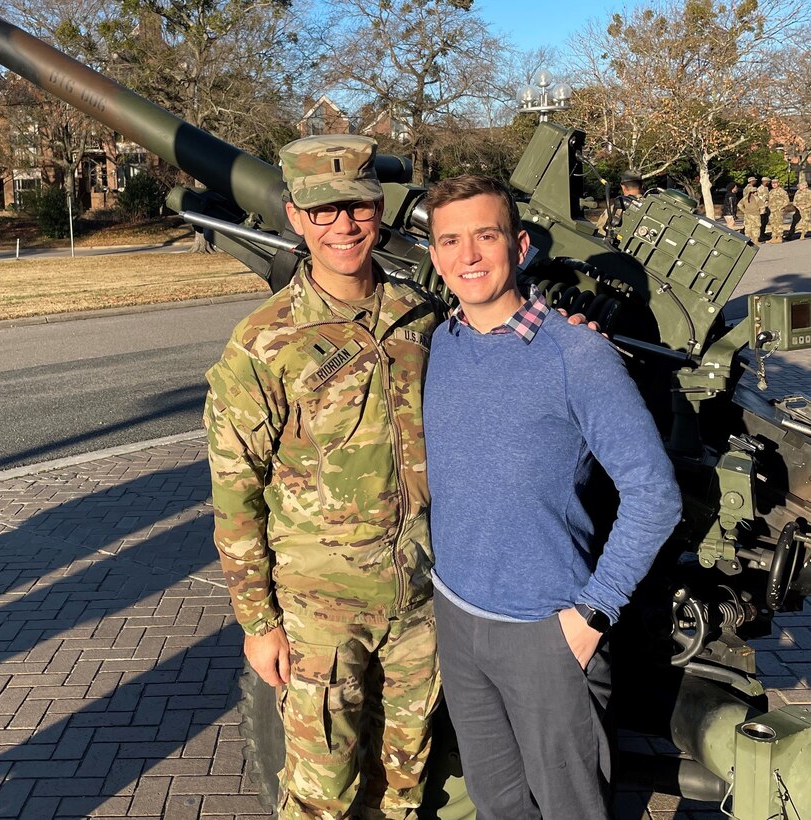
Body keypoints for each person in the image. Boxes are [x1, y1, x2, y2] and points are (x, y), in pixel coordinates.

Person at [421, 175, 682, 820]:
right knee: (497, 804)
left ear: (521, 243)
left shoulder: (578, 353)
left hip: (548, 632)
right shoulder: (440, 347)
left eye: (486, 235)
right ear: (433, 254)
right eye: (450, 240)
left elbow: (655, 493)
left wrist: (592, 615)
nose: (469, 256)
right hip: (458, 617)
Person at [203, 134, 442, 819]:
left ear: (379, 208)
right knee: (320, 800)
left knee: (404, 791)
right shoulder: (263, 341)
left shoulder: (418, 316)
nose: (344, 225)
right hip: (319, 613)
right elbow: (235, 492)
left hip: (418, 600)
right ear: (296, 217)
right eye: (324, 209)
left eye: (359, 207)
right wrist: (258, 621)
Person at [595, 169, 643, 234]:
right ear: (642, 186)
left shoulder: (614, 209)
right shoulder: (652, 207)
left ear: (623, 187)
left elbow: (600, 232)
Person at [766, 178, 791, 243]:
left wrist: (781, 207)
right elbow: (769, 200)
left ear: (778, 184)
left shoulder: (782, 191)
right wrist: (768, 206)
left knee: (778, 224)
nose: (774, 185)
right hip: (772, 210)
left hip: (779, 210)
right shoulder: (771, 191)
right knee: (773, 223)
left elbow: (787, 200)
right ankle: (774, 237)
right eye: (772, 183)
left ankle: (779, 237)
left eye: (775, 183)